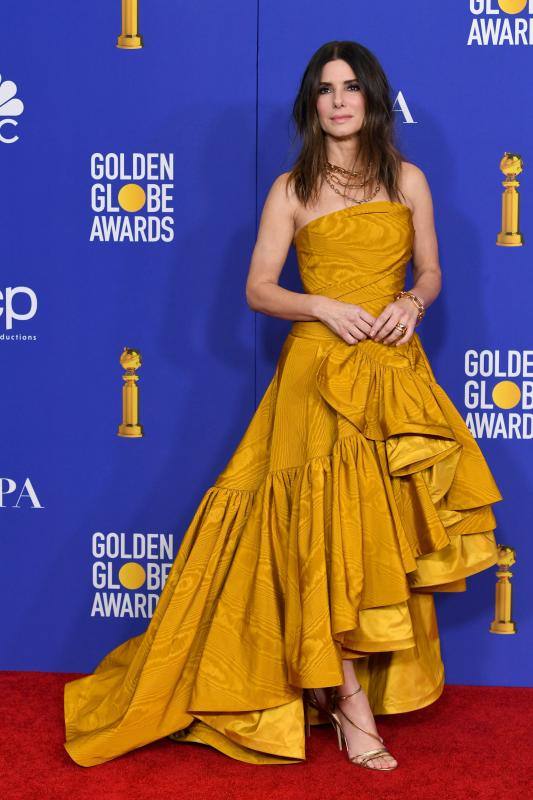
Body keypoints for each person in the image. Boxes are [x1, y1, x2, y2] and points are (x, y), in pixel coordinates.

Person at [63, 40, 503, 772]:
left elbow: (429, 269)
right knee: (320, 538)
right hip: (314, 377)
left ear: (371, 98)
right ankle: (348, 704)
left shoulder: (411, 181)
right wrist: (321, 305)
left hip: (391, 377)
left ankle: (340, 688)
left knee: (373, 541)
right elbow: (258, 289)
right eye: (324, 89)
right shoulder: (290, 190)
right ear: (310, 103)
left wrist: (411, 302)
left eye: (350, 87)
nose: (337, 100)